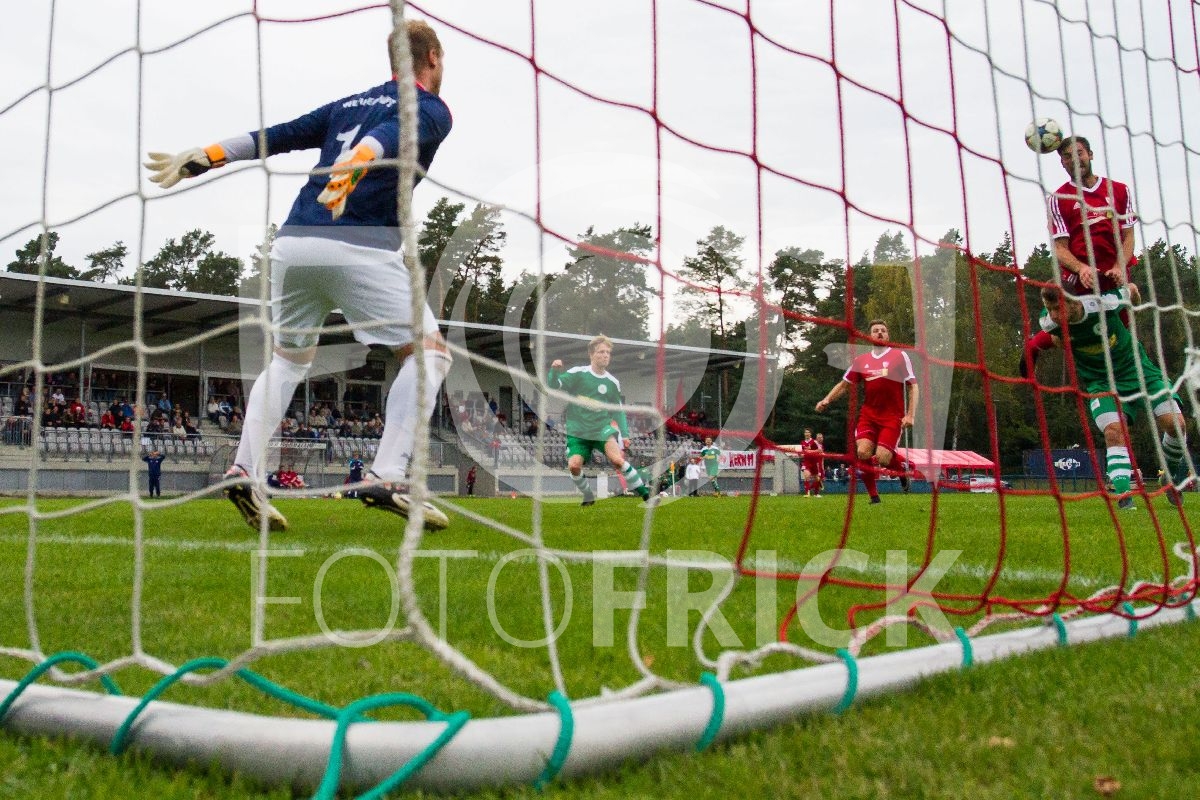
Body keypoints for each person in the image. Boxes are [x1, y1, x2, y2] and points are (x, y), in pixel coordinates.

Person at [145, 19, 452, 532]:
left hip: (293, 245)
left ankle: (244, 469)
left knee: (288, 362)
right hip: (357, 243)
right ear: (434, 58)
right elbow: (393, 133)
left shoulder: (347, 104)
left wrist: (212, 154)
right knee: (431, 354)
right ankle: (387, 474)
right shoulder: (432, 108)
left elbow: (278, 136)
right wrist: (358, 163)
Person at [1034, 285, 1189, 509]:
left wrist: (1131, 312)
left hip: (1139, 371)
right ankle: (1124, 495)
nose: (1054, 315)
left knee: (1176, 424)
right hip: (1101, 382)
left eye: (1058, 308)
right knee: (1114, 430)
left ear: (1074, 302)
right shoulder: (1048, 322)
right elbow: (1055, 339)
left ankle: (1170, 476)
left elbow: (1132, 290)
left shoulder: (1103, 303)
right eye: (1049, 309)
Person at [815, 319, 918, 504]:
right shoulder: (861, 361)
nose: (879, 333)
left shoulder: (899, 356)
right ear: (869, 336)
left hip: (892, 417)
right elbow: (844, 385)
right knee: (863, 452)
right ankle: (874, 497)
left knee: (883, 458)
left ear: (888, 335)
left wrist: (910, 415)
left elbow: (913, 386)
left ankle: (901, 470)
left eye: (883, 330)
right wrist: (827, 399)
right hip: (868, 415)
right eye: (875, 330)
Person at [547, 334, 650, 505]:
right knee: (574, 466)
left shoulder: (612, 382)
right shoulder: (578, 374)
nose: (605, 355)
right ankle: (588, 495)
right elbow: (553, 385)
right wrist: (554, 371)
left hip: (602, 428)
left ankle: (646, 495)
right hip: (578, 431)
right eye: (601, 352)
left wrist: (625, 434)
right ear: (591, 354)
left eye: (608, 352)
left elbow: (617, 411)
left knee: (617, 460)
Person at [1046, 135, 1138, 297]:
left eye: (1079, 153)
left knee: (1126, 309)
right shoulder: (1058, 198)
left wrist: (1119, 267)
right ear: (1062, 163)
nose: (1074, 160)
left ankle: (1131, 291)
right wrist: (1081, 268)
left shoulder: (1119, 190)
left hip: (1116, 277)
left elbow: (1128, 236)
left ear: (1090, 154)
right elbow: (1059, 247)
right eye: (1067, 156)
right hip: (1080, 282)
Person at [801, 428, 823, 497]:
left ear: (810, 434)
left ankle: (816, 493)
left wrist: (810, 451)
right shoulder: (802, 442)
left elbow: (820, 450)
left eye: (808, 432)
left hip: (814, 461)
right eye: (805, 432)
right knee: (806, 476)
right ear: (804, 434)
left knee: (817, 478)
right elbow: (803, 451)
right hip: (806, 461)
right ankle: (807, 493)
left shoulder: (814, 442)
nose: (807, 433)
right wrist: (802, 454)